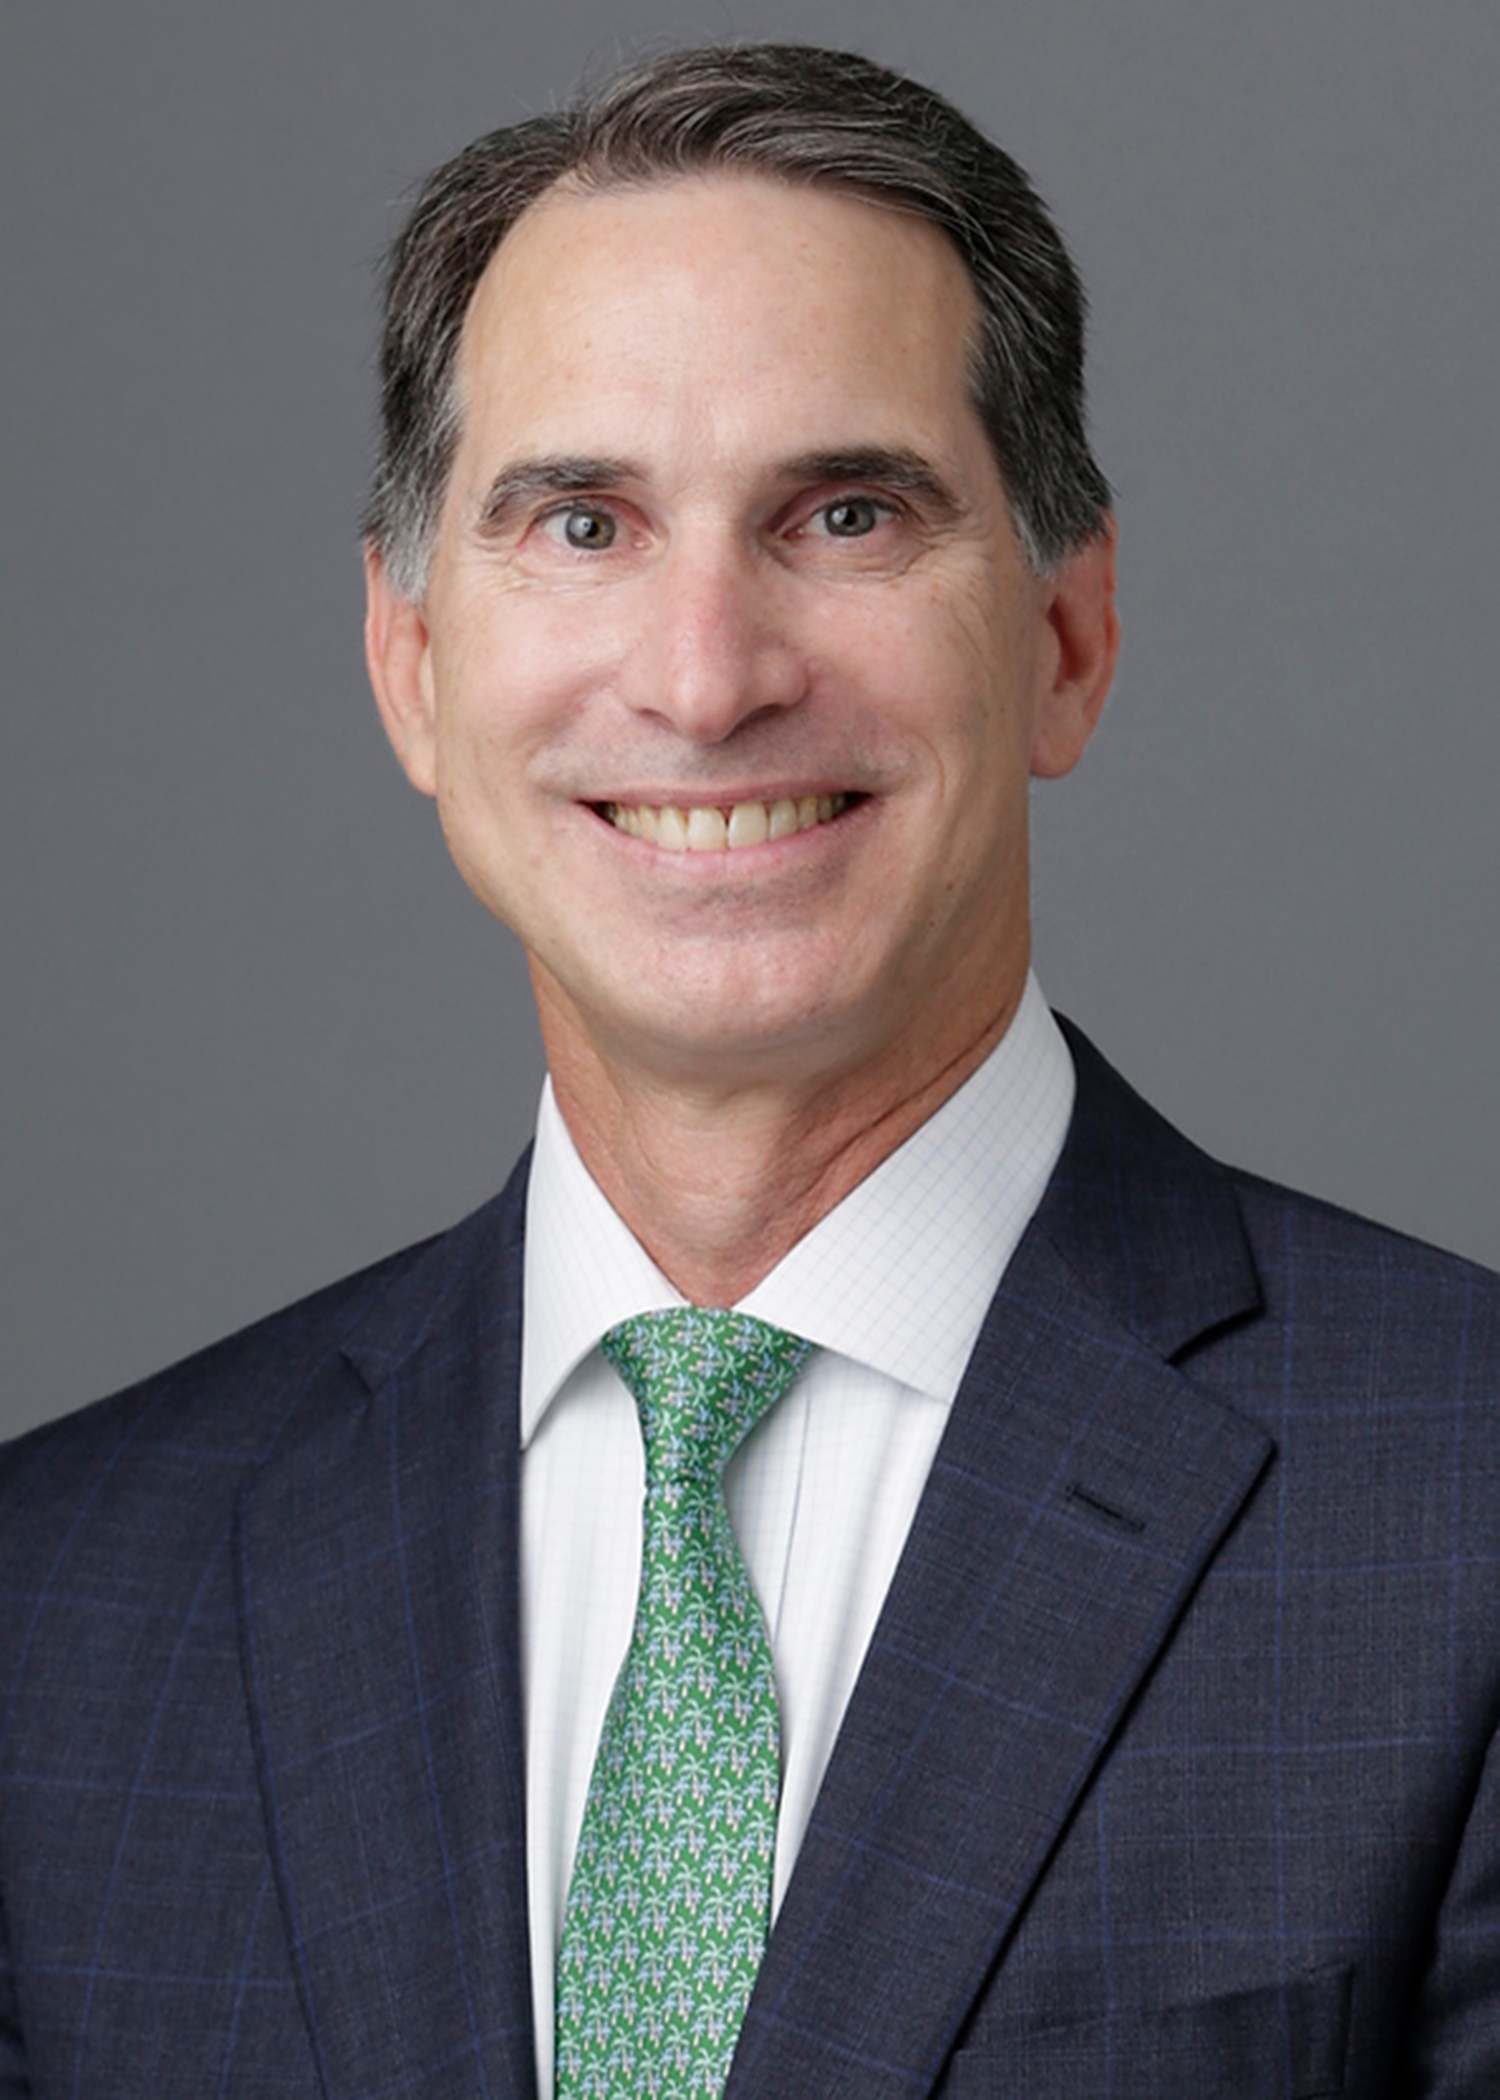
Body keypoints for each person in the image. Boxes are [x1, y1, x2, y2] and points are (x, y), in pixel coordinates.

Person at [1, 40, 1496, 2099]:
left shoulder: (1459, 1515)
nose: (706, 677)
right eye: (583, 523)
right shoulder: (58, 1609)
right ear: (412, 666)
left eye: (847, 513)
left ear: (1065, 638)